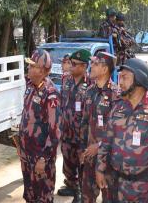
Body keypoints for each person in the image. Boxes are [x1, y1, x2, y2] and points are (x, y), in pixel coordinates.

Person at [97, 58, 148, 202]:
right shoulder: (117, 107)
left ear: (140, 79)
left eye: (124, 77)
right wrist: (99, 169)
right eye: (119, 77)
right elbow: (106, 142)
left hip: (146, 188)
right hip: (116, 184)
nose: (120, 83)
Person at [19, 49, 61, 203]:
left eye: (32, 66)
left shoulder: (51, 95)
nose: (28, 68)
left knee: (43, 197)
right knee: (30, 195)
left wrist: (43, 159)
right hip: (27, 154)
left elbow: (55, 131)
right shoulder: (30, 86)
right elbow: (26, 116)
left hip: (40, 158)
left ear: (42, 71)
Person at [80, 51, 118, 203]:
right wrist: (82, 149)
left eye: (95, 64)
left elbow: (119, 130)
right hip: (89, 156)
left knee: (109, 197)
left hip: (108, 158)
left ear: (105, 69)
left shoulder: (117, 95)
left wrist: (99, 145)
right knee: (87, 197)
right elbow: (84, 122)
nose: (91, 66)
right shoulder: (89, 92)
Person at [58, 49, 91, 203]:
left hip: (81, 135)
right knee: (68, 164)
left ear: (84, 66)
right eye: (70, 63)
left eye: (75, 64)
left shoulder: (91, 84)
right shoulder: (66, 79)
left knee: (82, 165)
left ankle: (80, 193)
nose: (70, 66)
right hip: (66, 133)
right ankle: (72, 186)